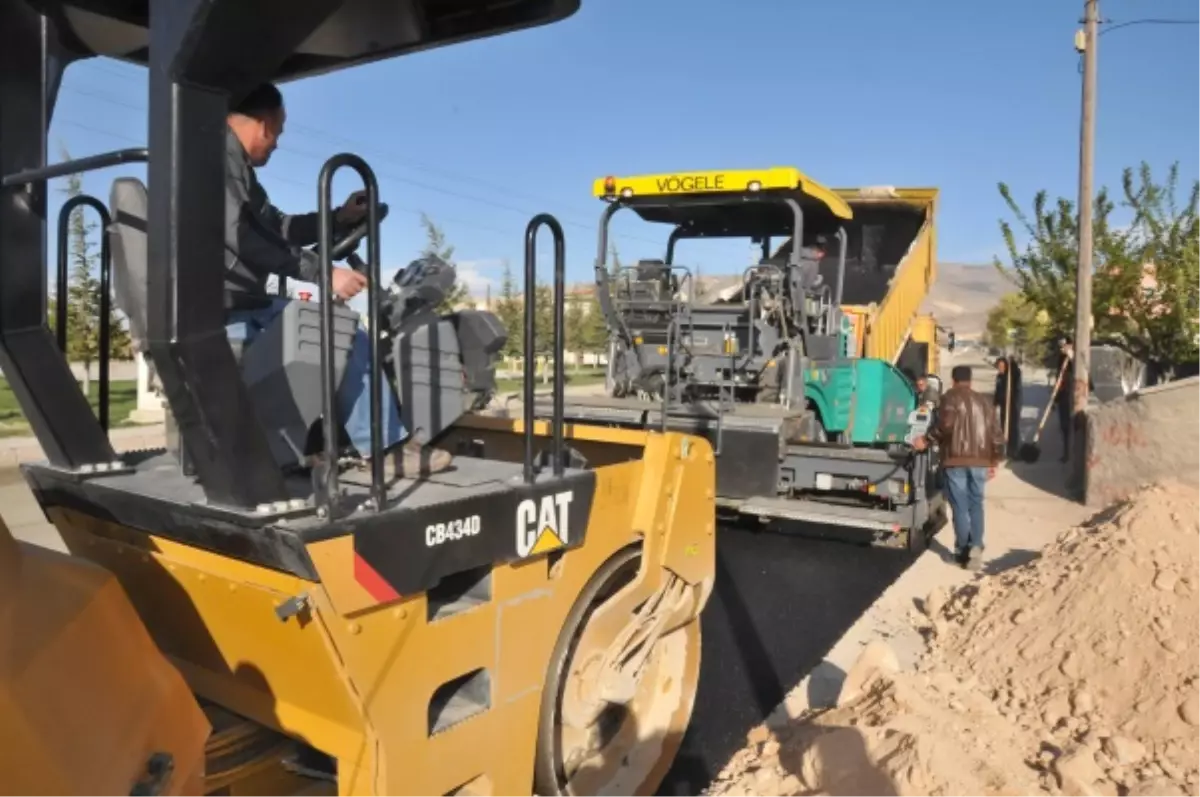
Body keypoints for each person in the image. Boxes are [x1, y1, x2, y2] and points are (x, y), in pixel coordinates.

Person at [225, 82, 451, 476]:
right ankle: (387, 449)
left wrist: (338, 218)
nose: (277, 143)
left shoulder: (227, 165)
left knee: (329, 324)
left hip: (233, 301)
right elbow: (242, 237)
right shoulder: (216, 163)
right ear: (264, 125)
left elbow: (276, 227)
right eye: (278, 131)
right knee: (344, 330)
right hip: (230, 308)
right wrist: (325, 273)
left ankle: (309, 444)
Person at [915, 365, 1003, 570]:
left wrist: (926, 440)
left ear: (954, 380)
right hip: (980, 461)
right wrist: (994, 461)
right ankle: (977, 546)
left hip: (956, 460)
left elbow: (945, 426)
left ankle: (963, 551)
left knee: (960, 506)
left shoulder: (949, 398)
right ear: (970, 381)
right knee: (976, 504)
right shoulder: (985, 402)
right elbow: (997, 435)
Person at [993, 356, 1023, 458]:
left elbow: (1017, 373)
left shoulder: (1013, 375)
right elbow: (997, 392)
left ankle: (1014, 451)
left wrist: (1012, 363)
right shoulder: (999, 377)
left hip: (1014, 405)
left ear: (1006, 366)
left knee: (1013, 428)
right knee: (1004, 427)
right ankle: (1007, 450)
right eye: (998, 366)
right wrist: (995, 403)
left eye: (1002, 366)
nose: (1000, 368)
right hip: (1003, 406)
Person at [1054, 339, 1075, 464]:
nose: (1061, 349)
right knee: (1064, 427)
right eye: (1060, 346)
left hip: (1072, 396)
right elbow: (1059, 377)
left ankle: (1071, 454)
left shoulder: (1075, 357)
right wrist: (1055, 397)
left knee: (1071, 426)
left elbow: (1082, 371)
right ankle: (1066, 453)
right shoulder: (1061, 358)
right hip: (1062, 395)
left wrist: (1071, 357)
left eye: (1063, 346)